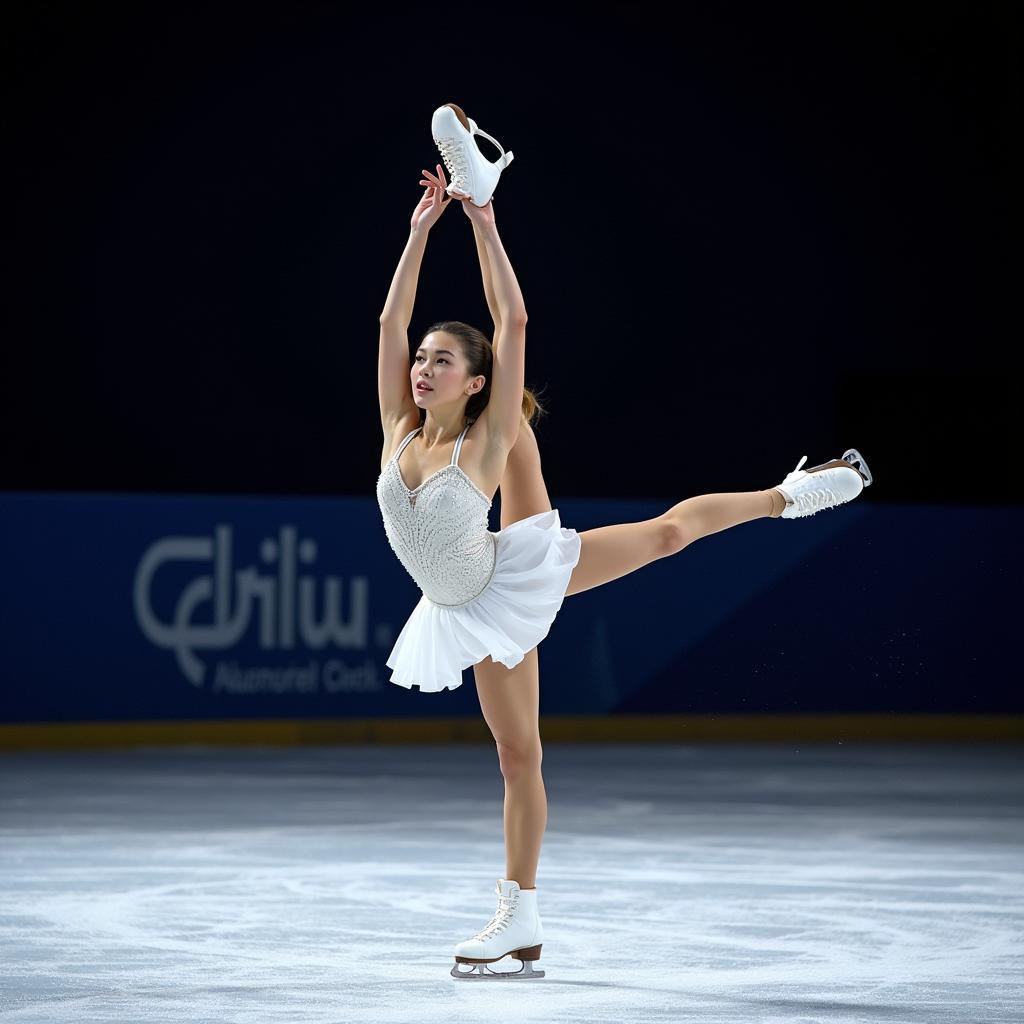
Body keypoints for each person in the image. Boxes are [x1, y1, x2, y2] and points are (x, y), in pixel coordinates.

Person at [376, 166, 873, 979]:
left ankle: (789, 494)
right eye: (421, 359)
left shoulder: (486, 434)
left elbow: (514, 318)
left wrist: (483, 217)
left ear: (474, 382)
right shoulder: (398, 426)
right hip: (460, 599)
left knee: (667, 536)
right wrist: (420, 230)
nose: (423, 368)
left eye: (441, 361)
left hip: (512, 576)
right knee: (517, 757)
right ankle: (524, 921)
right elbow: (391, 317)